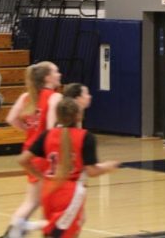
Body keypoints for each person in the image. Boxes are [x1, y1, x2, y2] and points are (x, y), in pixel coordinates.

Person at [18, 98, 119, 238]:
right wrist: (108, 167)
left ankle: (31, 225)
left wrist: (40, 176)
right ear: (78, 116)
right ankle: (28, 225)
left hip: (48, 190)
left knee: (53, 233)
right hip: (69, 193)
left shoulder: (47, 134)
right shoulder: (85, 137)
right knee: (61, 233)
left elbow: (23, 160)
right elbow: (91, 171)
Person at [3, 61, 63, 238]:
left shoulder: (25, 97)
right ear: (47, 77)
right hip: (44, 156)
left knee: (33, 201)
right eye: (56, 71)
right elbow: (53, 130)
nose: (60, 74)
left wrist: (29, 130)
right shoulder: (54, 97)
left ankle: (12, 234)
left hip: (29, 152)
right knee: (50, 201)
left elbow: (11, 118)